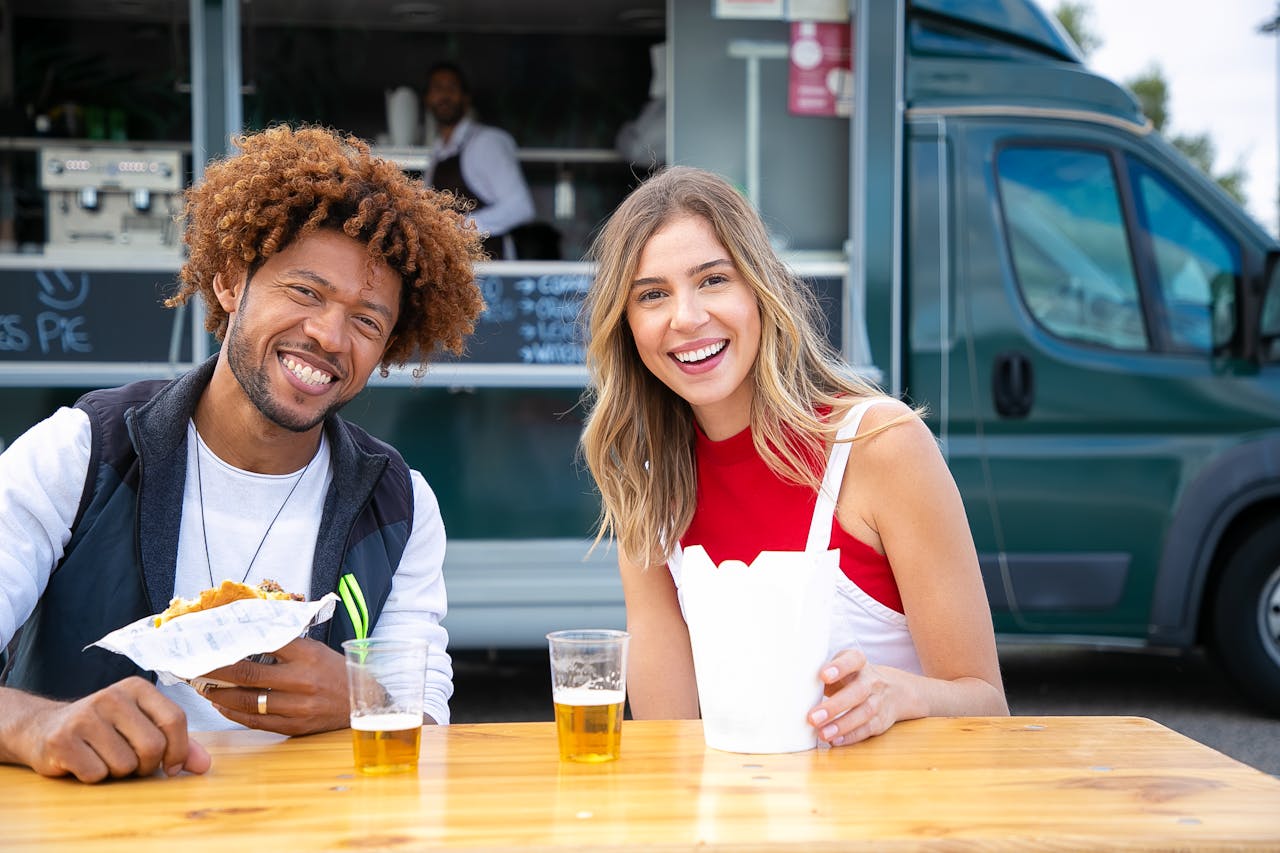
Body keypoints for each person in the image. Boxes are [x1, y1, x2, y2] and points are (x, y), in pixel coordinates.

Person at [0, 124, 486, 782]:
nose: (327, 335)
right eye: (305, 291)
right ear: (231, 282)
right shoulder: (84, 450)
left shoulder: (398, 502)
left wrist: (360, 696)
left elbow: (429, 725)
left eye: (367, 320)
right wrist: (35, 724)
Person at [579, 166, 1008, 745]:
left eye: (712, 280)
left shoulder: (879, 444)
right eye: (652, 295)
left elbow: (987, 708)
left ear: (761, 290)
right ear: (627, 326)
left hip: (895, 826)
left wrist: (905, 694)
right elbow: (668, 748)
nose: (686, 317)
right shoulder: (650, 493)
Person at [423, 61, 537, 260]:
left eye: (452, 88)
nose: (444, 95)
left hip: (489, 271)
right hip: (453, 272)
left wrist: (460, 227)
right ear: (427, 99)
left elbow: (521, 207)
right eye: (437, 88)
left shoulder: (485, 143)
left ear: (466, 98)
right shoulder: (438, 152)